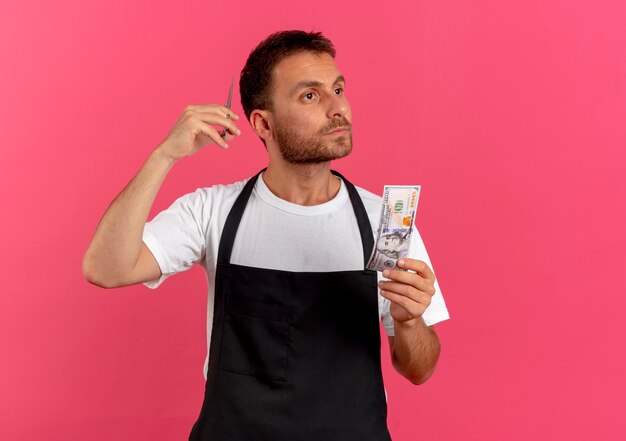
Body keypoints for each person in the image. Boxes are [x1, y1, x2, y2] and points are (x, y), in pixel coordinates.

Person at [83, 30, 450, 441]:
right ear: (263, 122)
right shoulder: (212, 211)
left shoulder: (385, 221)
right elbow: (105, 268)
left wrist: (410, 319)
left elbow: (420, 369)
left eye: (338, 89)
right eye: (310, 96)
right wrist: (164, 155)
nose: (337, 108)